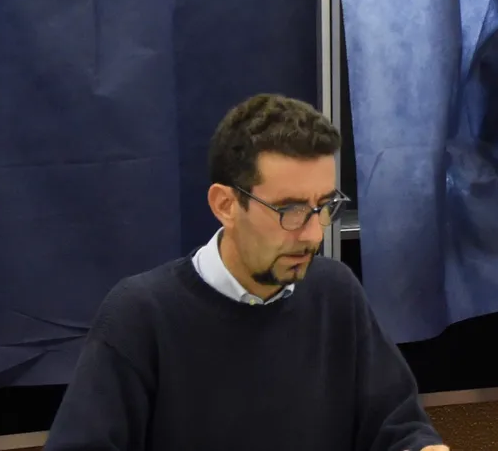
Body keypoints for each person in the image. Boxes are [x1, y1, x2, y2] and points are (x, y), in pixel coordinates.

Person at [44, 94, 448, 451]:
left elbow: (396, 426)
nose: (312, 234)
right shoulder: (140, 316)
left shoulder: (335, 293)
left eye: (324, 206)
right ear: (225, 205)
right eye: (289, 211)